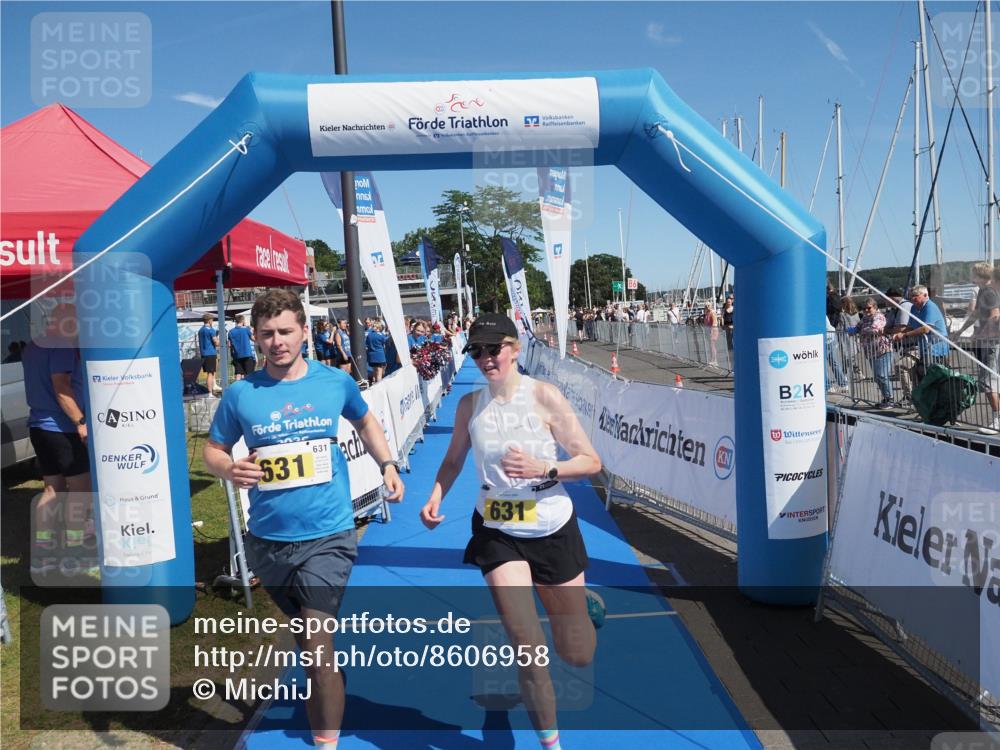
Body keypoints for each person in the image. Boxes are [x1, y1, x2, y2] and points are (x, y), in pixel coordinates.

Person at [203, 289, 404, 746]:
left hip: (328, 535)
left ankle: (325, 741)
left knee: (315, 647)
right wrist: (230, 469)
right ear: (254, 338)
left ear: (304, 332)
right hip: (268, 543)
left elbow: (366, 422)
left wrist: (387, 463)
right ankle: (329, 681)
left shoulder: (334, 383)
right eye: (267, 334)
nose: (277, 342)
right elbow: (212, 450)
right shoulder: (240, 395)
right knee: (310, 644)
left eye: (286, 332)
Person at [420, 313, 604, 750]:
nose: (485, 358)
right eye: (476, 351)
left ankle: (585, 607)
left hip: (552, 527)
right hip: (497, 530)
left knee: (576, 652)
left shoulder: (545, 397)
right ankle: (551, 744)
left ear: (514, 348)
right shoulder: (470, 405)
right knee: (528, 643)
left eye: (493, 348)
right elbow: (452, 461)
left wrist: (547, 467)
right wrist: (435, 495)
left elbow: (590, 461)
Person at [21, 303, 92, 577]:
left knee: (52, 491)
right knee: (81, 492)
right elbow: (60, 386)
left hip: (38, 425)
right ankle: (73, 556)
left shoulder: (33, 345)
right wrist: (80, 421)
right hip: (62, 428)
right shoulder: (60, 344)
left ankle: (44, 556)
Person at [954, 263, 1000, 434]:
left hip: (991, 342)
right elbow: (975, 315)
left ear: (979, 275)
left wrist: (983, 333)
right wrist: (960, 330)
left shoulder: (988, 292)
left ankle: (997, 420)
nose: (970, 275)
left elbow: (995, 315)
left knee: (988, 382)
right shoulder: (982, 291)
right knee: (991, 381)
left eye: (972, 273)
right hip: (987, 341)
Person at [892, 284, 950, 396]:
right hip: (924, 348)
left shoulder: (930, 306)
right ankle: (917, 397)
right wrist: (900, 333)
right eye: (911, 296)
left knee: (931, 376)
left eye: (915, 296)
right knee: (919, 373)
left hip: (936, 348)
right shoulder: (914, 308)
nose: (913, 299)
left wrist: (905, 335)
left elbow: (925, 328)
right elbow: (912, 325)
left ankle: (934, 400)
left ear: (925, 295)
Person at [856, 299, 894, 408]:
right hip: (871, 351)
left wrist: (861, 329)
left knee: (882, 375)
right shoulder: (865, 318)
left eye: (869, 308)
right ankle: (885, 398)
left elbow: (875, 328)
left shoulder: (878, 316)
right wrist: (854, 329)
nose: (866, 310)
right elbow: (858, 327)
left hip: (883, 349)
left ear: (875, 307)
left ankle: (890, 399)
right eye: (865, 308)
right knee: (877, 377)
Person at [198, 313, 220, 395]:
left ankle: (212, 388)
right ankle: (210, 392)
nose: (213, 322)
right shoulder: (211, 330)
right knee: (210, 373)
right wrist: (218, 340)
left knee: (210, 372)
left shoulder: (200, 330)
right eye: (212, 320)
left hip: (204, 354)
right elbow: (216, 342)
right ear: (209, 320)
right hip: (210, 353)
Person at [228, 315, 256, 380]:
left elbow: (229, 345)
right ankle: (247, 388)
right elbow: (253, 339)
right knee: (248, 374)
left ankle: (237, 388)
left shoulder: (231, 331)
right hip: (247, 355)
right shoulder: (246, 329)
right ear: (242, 321)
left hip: (237, 355)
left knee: (238, 373)